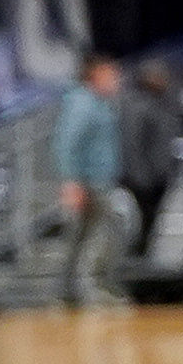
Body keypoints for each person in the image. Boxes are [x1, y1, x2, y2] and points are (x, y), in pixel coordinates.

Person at [47, 55, 129, 306]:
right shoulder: (82, 104)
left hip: (99, 181)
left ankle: (67, 290)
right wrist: (71, 182)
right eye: (112, 75)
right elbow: (67, 144)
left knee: (81, 235)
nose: (118, 81)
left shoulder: (99, 103)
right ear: (97, 75)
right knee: (115, 224)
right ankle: (99, 282)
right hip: (89, 183)